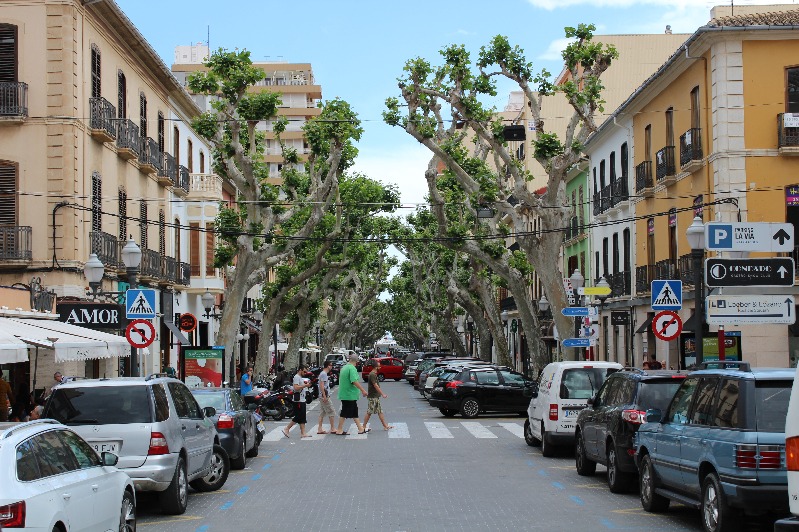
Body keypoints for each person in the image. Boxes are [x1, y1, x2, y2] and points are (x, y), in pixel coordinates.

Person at [334, 353, 368, 435]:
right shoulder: (352, 368)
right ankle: (340, 429)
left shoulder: (344, 367)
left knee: (352, 412)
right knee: (346, 412)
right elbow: (354, 381)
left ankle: (360, 428)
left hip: (345, 394)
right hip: (349, 394)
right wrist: (363, 390)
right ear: (356, 361)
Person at [282, 365, 313, 439]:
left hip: (302, 399)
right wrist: (305, 386)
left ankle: (303, 433)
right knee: (298, 416)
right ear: (300, 370)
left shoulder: (300, 378)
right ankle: (287, 428)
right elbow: (296, 387)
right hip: (298, 400)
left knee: (302, 416)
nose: (305, 373)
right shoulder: (296, 377)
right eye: (304, 371)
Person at [363, 360, 394, 431]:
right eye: (379, 365)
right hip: (373, 396)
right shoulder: (372, 374)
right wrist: (382, 394)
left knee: (379, 411)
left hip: (375, 396)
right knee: (369, 412)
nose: (380, 367)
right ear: (376, 367)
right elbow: (375, 385)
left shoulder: (373, 374)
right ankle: (363, 426)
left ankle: (385, 426)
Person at [316, 361, 335, 434]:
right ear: (327, 366)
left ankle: (319, 428)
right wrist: (324, 396)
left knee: (322, 412)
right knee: (331, 411)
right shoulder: (324, 374)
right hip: (324, 396)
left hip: (322, 396)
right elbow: (321, 385)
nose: (331, 367)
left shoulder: (323, 374)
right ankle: (332, 428)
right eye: (331, 365)